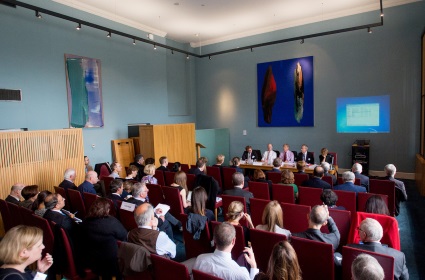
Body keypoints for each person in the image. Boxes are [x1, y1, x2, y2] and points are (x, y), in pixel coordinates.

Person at [193, 222, 259, 280]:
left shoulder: (200, 260)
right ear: (233, 241)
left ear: (214, 239)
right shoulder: (241, 274)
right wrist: (254, 266)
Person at [81, 198, 127, 280]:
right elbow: (124, 236)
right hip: (111, 262)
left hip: (92, 259)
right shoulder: (112, 222)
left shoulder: (85, 221)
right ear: (107, 209)